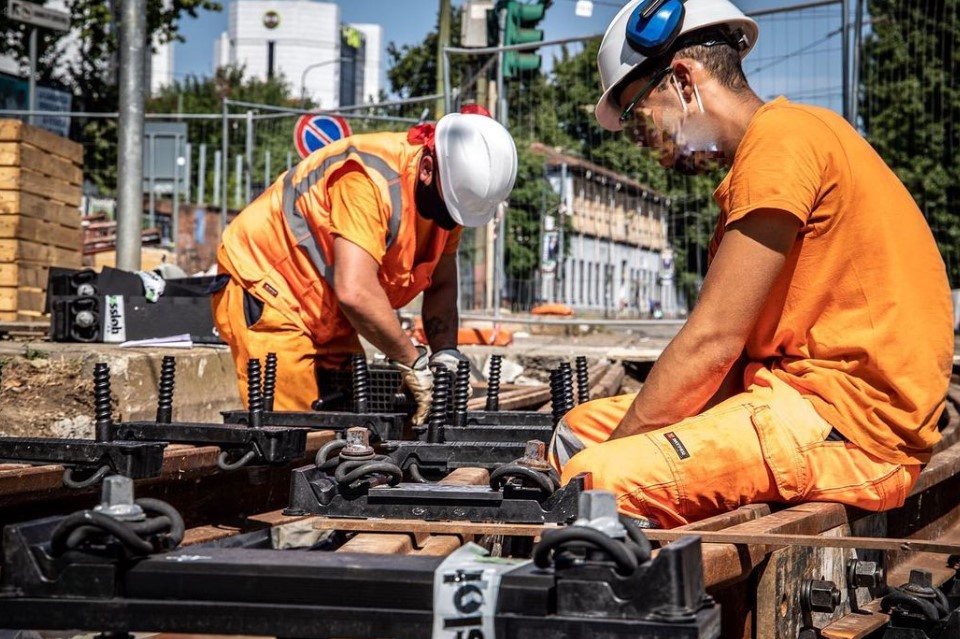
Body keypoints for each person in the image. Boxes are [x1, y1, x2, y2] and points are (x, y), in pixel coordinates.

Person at [549, 0, 954, 528]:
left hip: (851, 425)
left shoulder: (780, 143)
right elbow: (728, 354)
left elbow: (712, 343)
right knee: (579, 429)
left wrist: (615, 456)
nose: (644, 144)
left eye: (637, 118)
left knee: (598, 481)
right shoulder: (780, 147)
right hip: (798, 396)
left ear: (682, 79)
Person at [212, 108, 518, 424]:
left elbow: (441, 280)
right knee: (290, 432)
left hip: (325, 305)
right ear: (427, 168)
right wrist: (411, 361)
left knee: (348, 419)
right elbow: (355, 290)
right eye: (451, 210)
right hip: (269, 286)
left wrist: (445, 354)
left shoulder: (447, 196)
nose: (453, 222)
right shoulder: (369, 179)